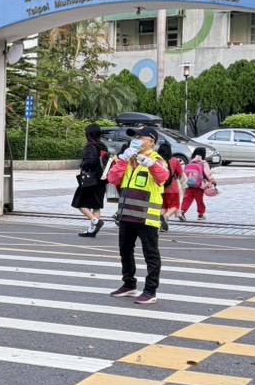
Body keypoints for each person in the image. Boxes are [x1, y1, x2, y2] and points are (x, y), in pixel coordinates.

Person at [106, 127, 170, 305]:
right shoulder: (128, 159)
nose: (137, 139)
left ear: (152, 141)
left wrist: (149, 164)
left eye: (141, 137)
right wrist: (122, 160)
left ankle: (150, 291)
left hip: (147, 217)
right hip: (127, 215)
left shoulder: (157, 160)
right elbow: (113, 179)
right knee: (125, 251)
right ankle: (129, 284)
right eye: (136, 136)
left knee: (150, 254)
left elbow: (163, 177)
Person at [73, 125, 110, 237]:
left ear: (88, 134)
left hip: (90, 180)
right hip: (102, 180)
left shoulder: (90, 147)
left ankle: (96, 221)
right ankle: (92, 230)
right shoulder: (103, 146)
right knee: (96, 205)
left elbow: (89, 162)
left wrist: (82, 164)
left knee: (79, 203)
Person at [180, 146, 215, 222]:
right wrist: (212, 181)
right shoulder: (203, 163)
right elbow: (207, 174)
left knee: (187, 199)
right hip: (199, 186)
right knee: (199, 200)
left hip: (188, 185)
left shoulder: (191, 162)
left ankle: (182, 211)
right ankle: (201, 214)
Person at [163, 152, 186, 222]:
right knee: (175, 205)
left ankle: (161, 223)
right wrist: (184, 185)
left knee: (164, 206)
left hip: (160, 187)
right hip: (172, 187)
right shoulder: (174, 160)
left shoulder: (157, 159)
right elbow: (181, 174)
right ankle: (166, 216)